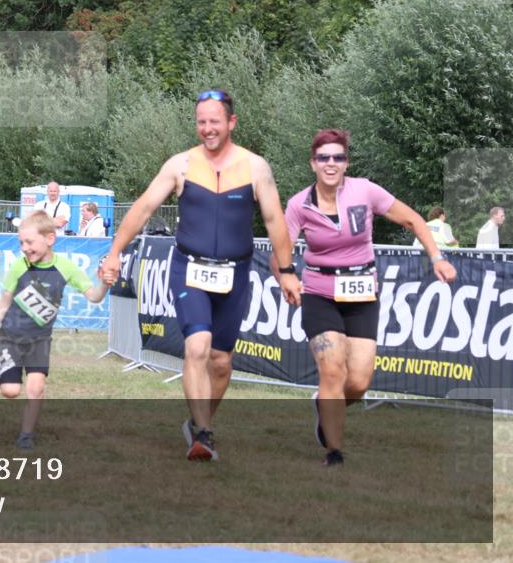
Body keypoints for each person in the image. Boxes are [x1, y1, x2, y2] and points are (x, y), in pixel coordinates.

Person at [101, 89, 301, 462]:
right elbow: (144, 207)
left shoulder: (255, 167)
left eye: (214, 121)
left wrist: (286, 271)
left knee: (221, 362)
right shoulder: (180, 165)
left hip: (236, 272)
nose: (207, 129)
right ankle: (204, 434)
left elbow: (275, 222)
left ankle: (201, 421)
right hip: (189, 268)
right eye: (201, 122)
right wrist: (114, 253)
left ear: (231, 122)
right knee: (196, 346)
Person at [281, 129, 457, 466]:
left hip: (362, 293)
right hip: (320, 293)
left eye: (338, 157)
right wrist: (286, 276)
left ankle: (324, 405)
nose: (331, 163)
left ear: (346, 163)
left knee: (358, 382)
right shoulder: (299, 204)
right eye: (323, 158)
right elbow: (282, 250)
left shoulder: (365, 191)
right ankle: (334, 451)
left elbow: (413, 220)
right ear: (313, 163)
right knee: (332, 370)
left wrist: (437, 258)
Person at [0, 211, 109, 450]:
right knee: (11, 391)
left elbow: (94, 296)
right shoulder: (18, 267)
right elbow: (2, 304)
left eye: (30, 242)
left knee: (36, 387)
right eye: (21, 242)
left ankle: (26, 436)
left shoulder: (66, 268)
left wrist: (104, 282)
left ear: (50, 239)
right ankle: (0, 371)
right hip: (11, 338)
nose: (24, 247)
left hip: (40, 340)